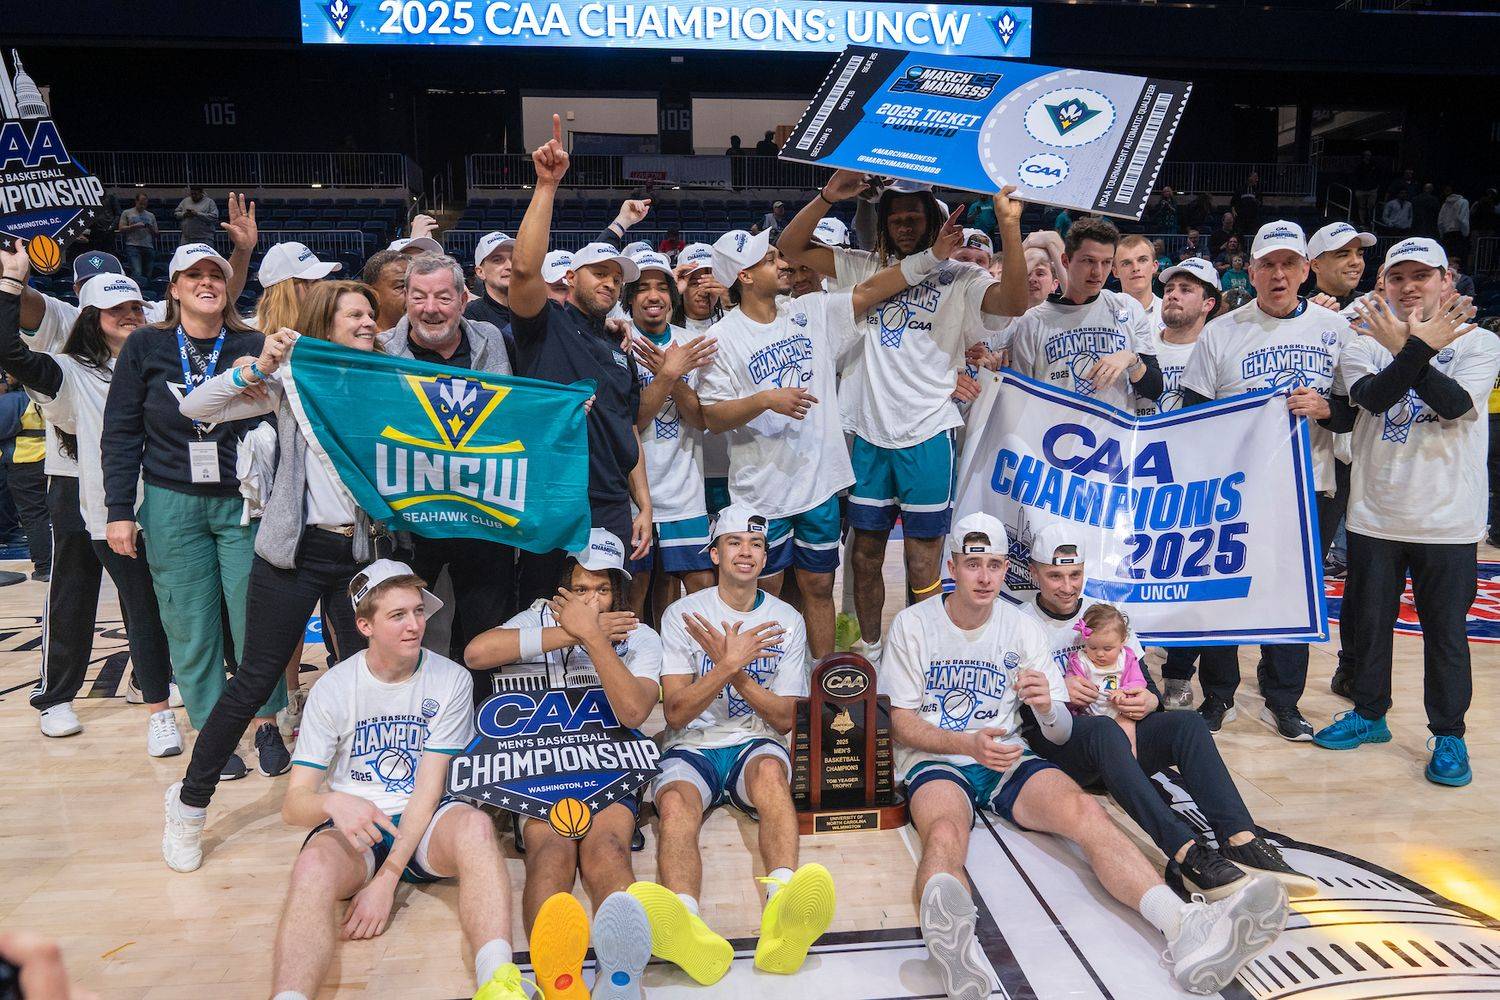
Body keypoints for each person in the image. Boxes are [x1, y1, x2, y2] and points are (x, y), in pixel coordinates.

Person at [887, 513, 1289, 999]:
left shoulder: (1019, 626)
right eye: (973, 564)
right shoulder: (913, 623)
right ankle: (956, 950)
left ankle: (1185, 926)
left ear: (1006, 567)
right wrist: (966, 744)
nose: (985, 576)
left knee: (1085, 812)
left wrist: (1045, 703)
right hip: (939, 761)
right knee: (945, 830)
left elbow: (1057, 730)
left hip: (1011, 759)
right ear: (952, 565)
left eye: (994, 564)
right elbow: (902, 723)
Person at [162, 280, 396, 872]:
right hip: (293, 552)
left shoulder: (392, 380)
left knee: (361, 681)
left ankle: (356, 793)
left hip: (362, 558)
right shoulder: (292, 379)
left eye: (371, 313)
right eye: (354, 315)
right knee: (254, 679)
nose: (368, 322)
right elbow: (194, 407)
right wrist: (254, 368)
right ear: (325, 325)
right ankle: (189, 804)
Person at [778, 170, 1027, 666]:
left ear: (934, 220)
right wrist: (828, 194)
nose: (906, 225)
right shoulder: (860, 266)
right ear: (884, 225)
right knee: (864, 556)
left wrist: (1010, 228)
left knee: (923, 561)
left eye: (915, 217)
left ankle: (921, 654)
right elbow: (791, 245)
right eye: (897, 218)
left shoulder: (959, 277)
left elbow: (1015, 302)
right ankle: (870, 654)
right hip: (869, 433)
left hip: (929, 433)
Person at [258, 561, 529, 1000]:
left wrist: (386, 881)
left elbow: (428, 789)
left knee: (478, 829)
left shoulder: (451, 679)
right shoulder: (333, 688)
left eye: (419, 612)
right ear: (364, 625)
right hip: (359, 826)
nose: (415, 625)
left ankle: (499, 982)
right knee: (311, 866)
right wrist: (331, 804)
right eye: (397, 615)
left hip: (427, 821)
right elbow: (295, 805)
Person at [1018, 523, 1315, 900]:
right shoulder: (1020, 624)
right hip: (1065, 751)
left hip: (1121, 742)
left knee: (1188, 723)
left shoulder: (1105, 614)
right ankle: (1185, 851)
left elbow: (1148, 687)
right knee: (1106, 732)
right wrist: (1058, 692)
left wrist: (1149, 701)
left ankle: (1240, 837)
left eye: (1075, 574)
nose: (1067, 586)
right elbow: (1022, 718)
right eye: (1054, 575)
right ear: (1033, 573)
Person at [1315, 239, 1497, 788]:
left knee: (1446, 633)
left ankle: (1449, 734)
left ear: (1448, 279)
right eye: (1399, 277)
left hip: (1449, 519)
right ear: (1383, 285)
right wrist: (1415, 348)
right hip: (1376, 511)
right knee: (1367, 627)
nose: (1410, 286)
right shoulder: (1360, 340)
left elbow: (1455, 404)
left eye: (1423, 275)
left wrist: (1406, 348)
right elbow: (1370, 399)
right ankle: (1370, 715)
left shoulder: (1481, 341)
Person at [101, 241, 288, 776]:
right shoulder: (144, 346)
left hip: (242, 499)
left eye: (216, 274)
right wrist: (119, 508)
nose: (206, 283)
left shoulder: (252, 342)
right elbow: (120, 432)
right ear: (175, 287)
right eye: (194, 275)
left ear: (228, 286)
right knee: (188, 620)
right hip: (170, 498)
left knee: (255, 615)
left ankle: (268, 722)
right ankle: (213, 732)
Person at [628, 503, 833, 984]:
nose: (747, 552)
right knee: (675, 806)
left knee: (770, 778)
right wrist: (724, 665)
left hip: (753, 742)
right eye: (735, 542)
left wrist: (734, 669)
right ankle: (686, 922)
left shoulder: (787, 619)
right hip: (690, 742)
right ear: (715, 553)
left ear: (766, 556)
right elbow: (675, 711)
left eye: (757, 544)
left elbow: (784, 719)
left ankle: (784, 910)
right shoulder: (682, 614)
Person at [463, 530, 658, 995]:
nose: (593, 599)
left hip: (608, 761)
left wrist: (595, 641)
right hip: (538, 767)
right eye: (582, 588)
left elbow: (634, 711)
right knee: (551, 855)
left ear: (619, 591)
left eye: (604, 588)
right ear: (561, 591)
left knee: (606, 850)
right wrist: (569, 631)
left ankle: (620, 975)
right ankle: (557, 978)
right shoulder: (533, 619)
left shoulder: (638, 633)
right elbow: (476, 653)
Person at [1179, 221, 1351, 741]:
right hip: (1239, 491)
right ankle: (1219, 693)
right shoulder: (1222, 331)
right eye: (1267, 265)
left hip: (1310, 486)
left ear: (1306, 269)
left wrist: (1326, 408)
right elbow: (1193, 413)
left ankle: (1284, 699)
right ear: (1250, 271)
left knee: (1294, 596)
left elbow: (1356, 411)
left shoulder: (1336, 331)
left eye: (1288, 264)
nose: (1278, 274)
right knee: (1227, 592)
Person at [0, 258, 177, 752]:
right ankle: (56, 696)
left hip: (141, 490)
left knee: (145, 592)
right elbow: (13, 344)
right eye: (112, 308)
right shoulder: (64, 347)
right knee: (74, 590)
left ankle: (149, 679)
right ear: (85, 306)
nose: (128, 314)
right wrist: (12, 281)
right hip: (74, 481)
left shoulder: (155, 353)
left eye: (133, 306)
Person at [508, 116, 653, 608]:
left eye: (617, 277)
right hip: (549, 495)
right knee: (541, 608)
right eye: (599, 273)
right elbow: (525, 268)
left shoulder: (620, 348)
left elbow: (626, 429)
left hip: (610, 502)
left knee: (605, 612)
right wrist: (546, 185)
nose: (611, 283)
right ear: (571, 277)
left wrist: (643, 503)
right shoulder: (543, 323)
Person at [378, 253, 519, 670]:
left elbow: (519, 406)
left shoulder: (490, 338)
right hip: (410, 514)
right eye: (418, 296)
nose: (430, 308)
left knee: (485, 622)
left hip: (480, 511)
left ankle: (480, 711)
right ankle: (403, 706)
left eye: (442, 297)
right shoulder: (381, 349)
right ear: (405, 299)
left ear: (462, 299)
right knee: (402, 618)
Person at [622, 251, 718, 614]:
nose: (653, 295)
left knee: (700, 587)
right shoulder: (618, 343)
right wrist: (666, 375)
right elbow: (635, 420)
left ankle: (692, 665)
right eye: (643, 288)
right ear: (629, 297)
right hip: (633, 495)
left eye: (662, 287)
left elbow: (699, 418)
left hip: (685, 493)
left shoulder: (691, 343)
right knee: (638, 591)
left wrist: (672, 373)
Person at [1007, 216, 1164, 412]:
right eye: (1088, 261)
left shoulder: (1128, 308)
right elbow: (1019, 400)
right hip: (1053, 437)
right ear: (1065, 260)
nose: (1098, 272)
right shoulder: (1032, 321)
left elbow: (1154, 389)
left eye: (1106, 262)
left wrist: (1131, 360)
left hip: (1114, 439)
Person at [0, 374, 49, 579]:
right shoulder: (47, 396)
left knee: (33, 516)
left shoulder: (13, 401)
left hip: (23, 463)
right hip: (49, 461)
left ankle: (45, 567)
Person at [256, 241, 343, 339]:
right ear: (287, 291)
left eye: (320, 279)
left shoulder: (335, 322)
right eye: (314, 282)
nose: (321, 287)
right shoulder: (250, 336)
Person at [464, 231, 523, 368]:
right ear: (480, 272)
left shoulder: (536, 310)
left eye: (513, 259)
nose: (509, 266)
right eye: (497, 260)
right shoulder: (470, 315)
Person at [1114, 234, 1161, 330]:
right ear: (1115, 272)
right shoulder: (1103, 313)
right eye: (1126, 263)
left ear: (1154, 266)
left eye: (1142, 260)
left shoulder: (1169, 312)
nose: (1135, 268)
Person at [360, 249, 409, 332]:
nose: (413, 295)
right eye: (401, 287)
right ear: (374, 295)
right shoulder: (360, 342)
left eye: (415, 287)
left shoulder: (429, 339)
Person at [117, 192, 158, 283]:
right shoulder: (127, 213)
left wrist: (150, 228)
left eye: (145, 204)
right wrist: (134, 226)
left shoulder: (151, 215)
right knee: (137, 272)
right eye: (141, 204)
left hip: (148, 246)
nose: (143, 206)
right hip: (133, 246)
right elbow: (121, 229)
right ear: (136, 201)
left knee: (148, 273)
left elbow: (156, 233)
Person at [1351, 151, 1382, 229]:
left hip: (1372, 189)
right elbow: (1355, 176)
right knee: (1361, 206)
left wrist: (1377, 186)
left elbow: (1378, 175)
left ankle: (1370, 220)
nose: (1368, 156)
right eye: (1366, 155)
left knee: (1371, 205)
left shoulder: (1375, 165)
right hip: (1361, 189)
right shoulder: (1359, 165)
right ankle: (1362, 222)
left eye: (1369, 155)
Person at [1438, 185, 1471, 259]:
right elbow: (1463, 219)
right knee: (1458, 259)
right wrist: (1465, 233)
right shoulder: (1463, 202)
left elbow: (1440, 221)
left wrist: (1441, 234)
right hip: (1458, 234)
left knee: (1447, 258)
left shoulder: (1445, 204)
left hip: (1446, 234)